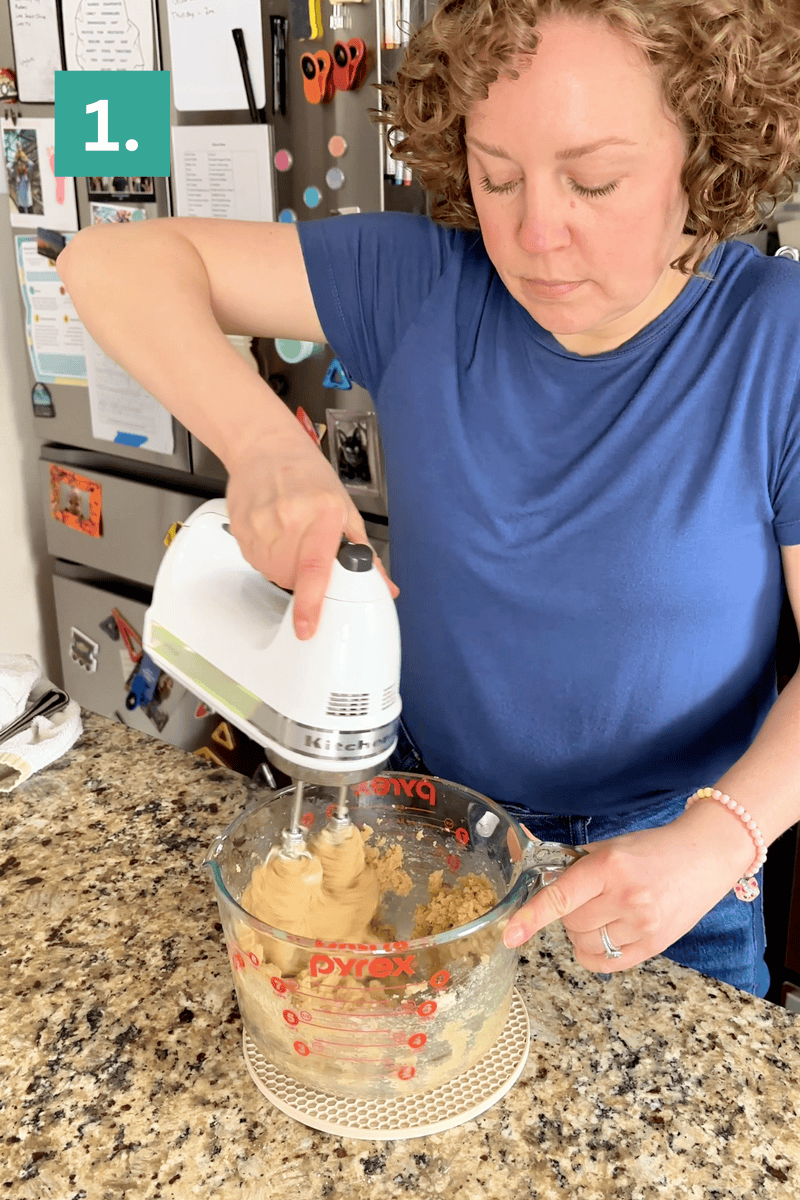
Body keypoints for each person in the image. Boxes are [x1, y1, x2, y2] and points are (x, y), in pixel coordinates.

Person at [56, 0, 800, 999]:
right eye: (496, 175)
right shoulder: (419, 285)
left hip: (675, 875)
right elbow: (109, 262)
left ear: (706, 146)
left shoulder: (775, 339)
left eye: (593, 179)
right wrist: (269, 447)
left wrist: (718, 838)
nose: (534, 231)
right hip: (427, 833)